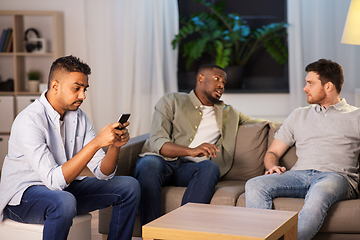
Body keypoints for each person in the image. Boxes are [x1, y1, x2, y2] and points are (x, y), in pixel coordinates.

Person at [0, 55, 140, 240]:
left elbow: (103, 173)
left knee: (130, 186)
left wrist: (114, 146)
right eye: (77, 88)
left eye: (84, 89)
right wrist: (97, 142)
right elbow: (53, 180)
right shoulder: (30, 120)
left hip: (62, 190)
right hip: (23, 197)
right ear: (55, 86)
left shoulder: (79, 117)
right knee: (64, 201)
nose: (82, 95)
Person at [245, 59, 360, 240]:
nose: (305, 88)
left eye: (310, 83)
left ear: (328, 86)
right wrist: (272, 166)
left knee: (320, 191)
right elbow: (272, 153)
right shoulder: (299, 114)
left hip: (336, 177)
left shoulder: (356, 116)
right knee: (254, 185)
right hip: (299, 175)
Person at [134, 64, 260, 225]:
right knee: (148, 164)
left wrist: (297, 119)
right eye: (217, 79)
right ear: (200, 79)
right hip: (160, 161)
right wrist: (191, 151)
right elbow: (158, 141)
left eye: (224, 82)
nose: (221, 84)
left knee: (210, 167)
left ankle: (184, 232)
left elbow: (265, 123)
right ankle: (151, 234)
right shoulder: (172, 101)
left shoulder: (230, 113)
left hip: (189, 169)